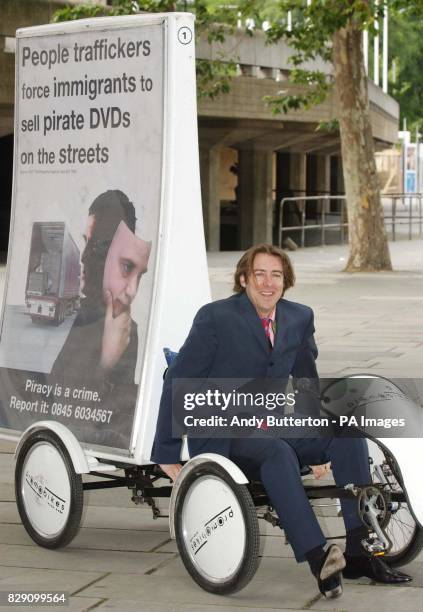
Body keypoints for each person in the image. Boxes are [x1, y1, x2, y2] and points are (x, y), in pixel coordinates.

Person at [151, 243, 411, 597]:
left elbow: (305, 379)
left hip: (274, 423)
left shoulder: (299, 317)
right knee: (277, 453)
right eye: (259, 274)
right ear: (244, 279)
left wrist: (315, 435)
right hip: (221, 431)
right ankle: (319, 557)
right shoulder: (215, 317)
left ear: (285, 281)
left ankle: (358, 548)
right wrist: (165, 451)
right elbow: (178, 379)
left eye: (276, 275)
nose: (268, 283)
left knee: (347, 434)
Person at [51, 189, 151, 388]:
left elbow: (121, 411)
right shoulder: (79, 321)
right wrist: (106, 362)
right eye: (86, 242)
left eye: (94, 245)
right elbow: (61, 399)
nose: (84, 257)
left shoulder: (126, 331)